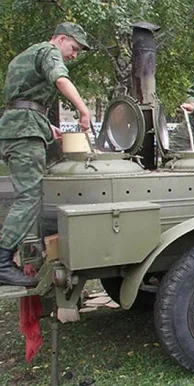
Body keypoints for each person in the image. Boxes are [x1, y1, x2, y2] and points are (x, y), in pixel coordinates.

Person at [0, 22, 91, 287]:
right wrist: (83, 110)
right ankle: (3, 261)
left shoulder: (25, 55)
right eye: (73, 48)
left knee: (27, 194)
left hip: (15, 126)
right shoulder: (49, 51)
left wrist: (45, 125)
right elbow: (61, 79)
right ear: (60, 39)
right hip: (23, 133)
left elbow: (23, 100)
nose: (74, 55)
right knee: (30, 195)